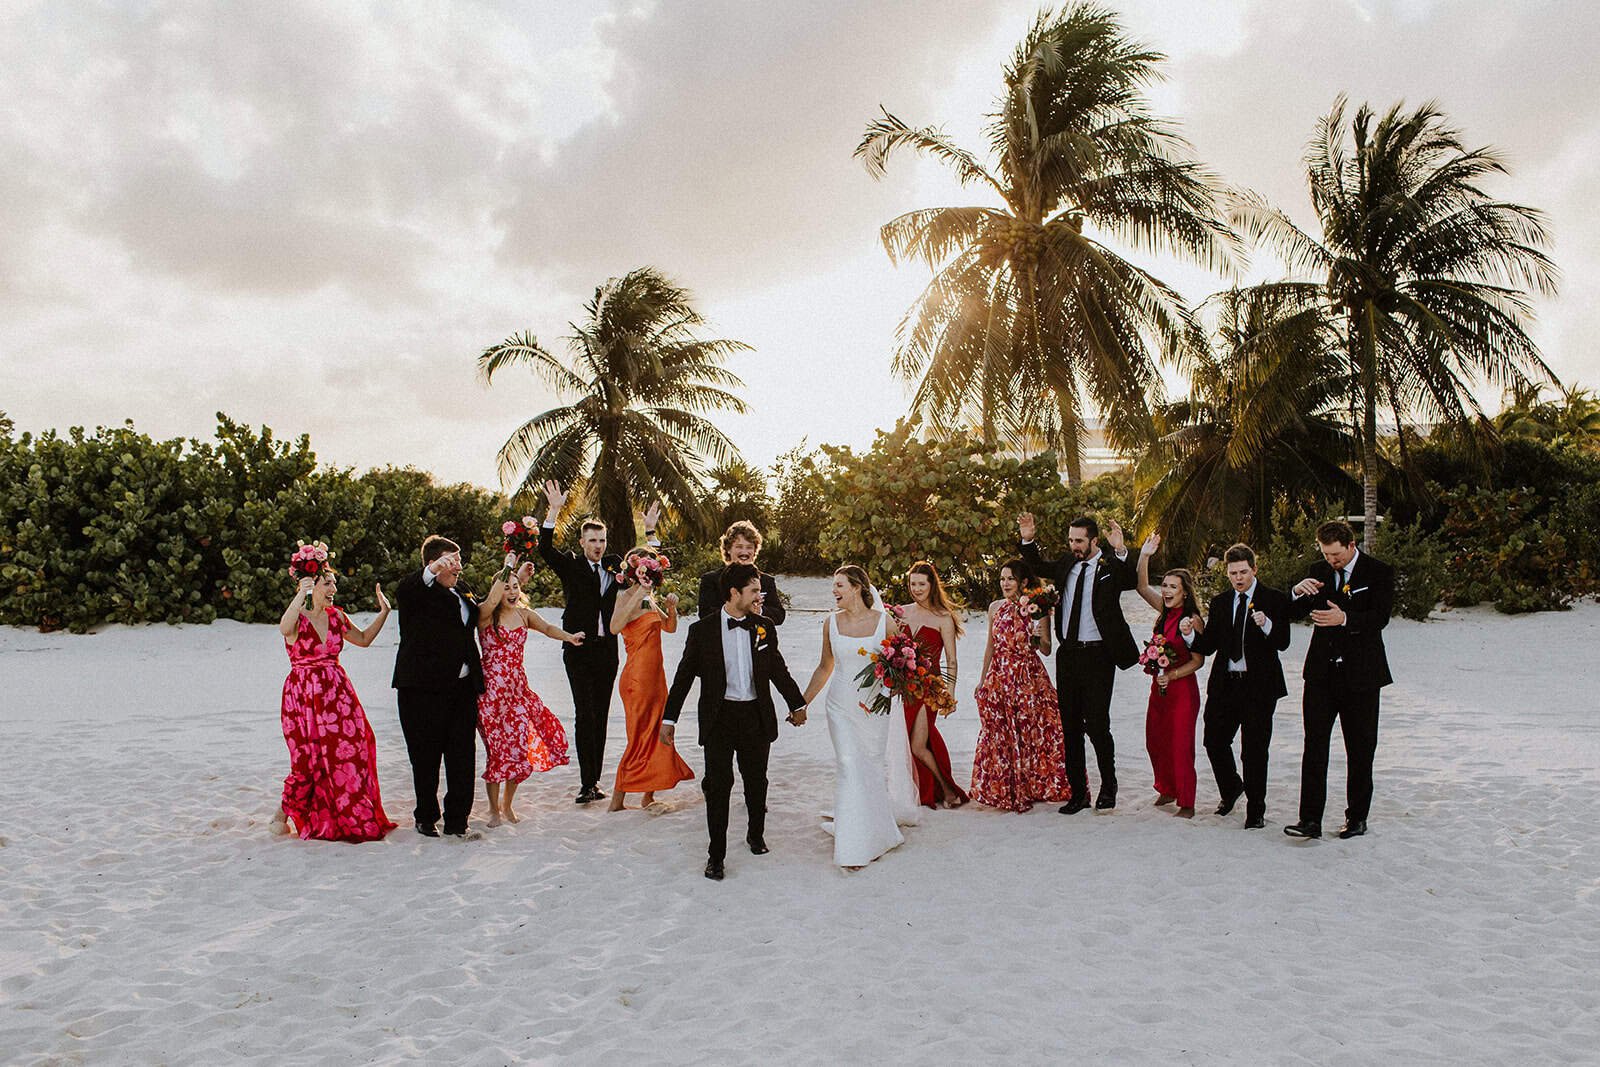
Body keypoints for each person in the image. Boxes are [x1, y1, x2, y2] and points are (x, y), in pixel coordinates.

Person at [661, 563, 807, 880]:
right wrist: (669, 719)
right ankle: (716, 856)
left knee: (756, 781)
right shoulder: (702, 631)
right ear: (734, 593)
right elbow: (683, 678)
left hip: (756, 715)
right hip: (719, 717)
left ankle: (756, 835)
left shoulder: (765, 626)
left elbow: (778, 669)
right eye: (754, 591)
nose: (759, 597)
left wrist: (797, 703)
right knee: (718, 786)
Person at [538, 482, 657, 804]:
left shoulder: (615, 565)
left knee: (601, 715)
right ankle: (586, 783)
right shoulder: (571, 565)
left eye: (602, 540)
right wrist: (554, 511)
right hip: (577, 649)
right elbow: (545, 550)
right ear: (582, 542)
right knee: (584, 713)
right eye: (592, 540)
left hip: (607, 650)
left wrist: (649, 532)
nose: (598, 546)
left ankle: (596, 781)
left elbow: (651, 565)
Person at [1018, 513, 1137, 812]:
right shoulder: (1066, 563)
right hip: (1068, 654)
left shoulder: (1108, 567)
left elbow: (1130, 580)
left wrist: (1120, 550)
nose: (1074, 546)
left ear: (1094, 541)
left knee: (1097, 725)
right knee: (1070, 726)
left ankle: (1108, 788)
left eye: (1080, 541)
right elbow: (1037, 566)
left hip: (1099, 655)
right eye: (1071, 540)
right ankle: (1079, 794)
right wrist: (1028, 539)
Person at [1284, 521, 1395, 841]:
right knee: (1314, 746)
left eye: (1336, 555)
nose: (1332, 560)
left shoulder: (1378, 571)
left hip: (1362, 676)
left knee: (1360, 748)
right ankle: (1309, 820)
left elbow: (1380, 617)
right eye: (1326, 554)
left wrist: (1344, 618)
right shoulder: (1317, 570)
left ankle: (1357, 818)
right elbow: (1295, 611)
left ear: (1351, 545)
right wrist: (1297, 591)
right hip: (1321, 674)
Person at [800, 566, 917, 868]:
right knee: (849, 765)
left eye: (839, 585)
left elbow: (904, 665)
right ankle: (853, 846)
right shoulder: (831, 623)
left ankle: (877, 832)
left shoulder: (884, 622)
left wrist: (895, 685)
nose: (834, 591)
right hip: (840, 705)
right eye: (834, 586)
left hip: (874, 708)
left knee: (871, 768)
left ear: (856, 587)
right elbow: (824, 667)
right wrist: (802, 703)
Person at [273, 565, 396, 842]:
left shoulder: (337, 616)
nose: (334, 589)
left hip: (337, 694)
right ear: (310, 585)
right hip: (303, 696)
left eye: (333, 583)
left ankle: (346, 811)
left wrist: (384, 613)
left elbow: (363, 639)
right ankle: (282, 812)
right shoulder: (297, 618)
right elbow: (284, 628)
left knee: (351, 749)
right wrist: (301, 594)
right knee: (308, 760)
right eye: (327, 583)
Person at [1180, 543, 1292, 829]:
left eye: (1243, 572)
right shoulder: (1220, 602)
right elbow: (1210, 645)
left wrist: (1266, 624)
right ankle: (1231, 788)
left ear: (1254, 569)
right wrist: (1190, 635)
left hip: (1259, 688)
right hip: (1225, 685)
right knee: (1214, 741)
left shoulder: (1274, 598)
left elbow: (1283, 642)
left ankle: (1256, 810)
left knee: (1254, 751)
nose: (1238, 578)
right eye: (1233, 573)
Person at [475, 556, 585, 827]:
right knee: (497, 753)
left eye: (516, 587)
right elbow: (490, 600)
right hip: (491, 695)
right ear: (498, 590)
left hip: (518, 692)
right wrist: (508, 567)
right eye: (507, 587)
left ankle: (507, 805)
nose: (512, 592)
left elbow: (547, 628)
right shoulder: (487, 616)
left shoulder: (524, 615)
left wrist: (569, 637)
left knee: (519, 750)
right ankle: (493, 810)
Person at [391, 535, 485, 839]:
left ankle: (458, 820)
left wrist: (512, 573)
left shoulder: (461, 589)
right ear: (433, 563)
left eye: (458, 561)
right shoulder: (415, 592)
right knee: (425, 757)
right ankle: (426, 817)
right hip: (422, 690)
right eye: (450, 561)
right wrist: (431, 571)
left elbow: (480, 612)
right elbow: (405, 589)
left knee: (462, 756)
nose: (458, 567)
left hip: (462, 688)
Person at [969, 559, 1072, 813]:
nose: (1005, 584)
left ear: (1023, 582)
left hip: (1028, 677)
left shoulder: (1038, 608)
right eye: (1002, 579)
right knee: (1000, 732)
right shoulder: (995, 607)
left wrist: (1037, 639)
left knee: (1030, 732)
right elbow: (990, 647)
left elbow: (1046, 649)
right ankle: (1007, 787)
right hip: (1000, 675)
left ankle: (1031, 786)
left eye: (1010, 579)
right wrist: (983, 679)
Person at [607, 547, 694, 812]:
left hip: (656, 678)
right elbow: (614, 627)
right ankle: (617, 801)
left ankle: (648, 795)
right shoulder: (625, 597)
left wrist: (671, 608)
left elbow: (669, 628)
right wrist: (638, 593)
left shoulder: (649, 599)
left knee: (658, 735)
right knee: (638, 738)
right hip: (637, 680)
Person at [1131, 534, 1206, 817]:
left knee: (1180, 745)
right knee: (1156, 740)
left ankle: (1187, 802)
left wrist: (1172, 675)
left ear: (1185, 592)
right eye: (1164, 585)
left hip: (1182, 689)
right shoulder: (1164, 611)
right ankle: (1167, 788)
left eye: (1173, 586)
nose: (1166, 590)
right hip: (1159, 688)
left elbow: (1198, 661)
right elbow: (1141, 587)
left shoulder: (1192, 619)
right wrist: (1145, 556)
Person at [897, 561, 968, 808]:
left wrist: (950, 694)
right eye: (912, 584)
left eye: (921, 584)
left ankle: (948, 790)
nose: (916, 589)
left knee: (918, 745)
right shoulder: (901, 613)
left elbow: (952, 660)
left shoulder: (943, 618)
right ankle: (925, 790)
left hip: (929, 689)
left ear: (931, 585)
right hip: (904, 689)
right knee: (908, 743)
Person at [696, 520, 786, 624]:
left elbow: (779, 616)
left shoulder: (766, 581)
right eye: (739, 547)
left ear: (755, 550)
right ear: (728, 549)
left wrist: (759, 611)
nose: (744, 552)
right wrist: (739, 609)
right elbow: (705, 614)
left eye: (749, 547)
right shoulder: (710, 580)